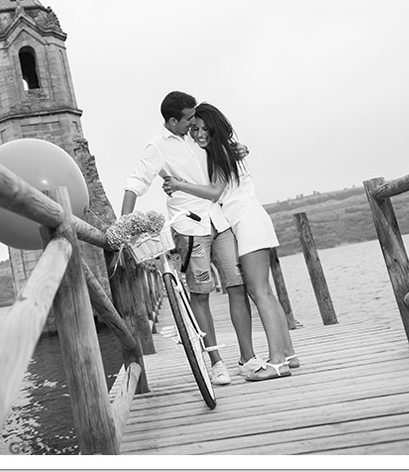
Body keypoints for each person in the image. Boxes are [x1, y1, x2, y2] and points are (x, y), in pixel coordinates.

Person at [120, 91, 263, 386]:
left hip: (220, 221)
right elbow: (135, 183)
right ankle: (216, 363)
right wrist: (124, 223)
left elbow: (226, 149)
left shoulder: (198, 136)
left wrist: (239, 149)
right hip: (189, 229)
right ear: (173, 121)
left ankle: (247, 358)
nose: (193, 122)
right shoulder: (157, 147)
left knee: (237, 286)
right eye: (188, 119)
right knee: (200, 294)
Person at [162, 102, 299, 381]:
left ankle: (277, 362)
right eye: (195, 128)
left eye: (205, 129)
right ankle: (289, 354)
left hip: (247, 223)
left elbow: (214, 192)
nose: (199, 134)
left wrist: (177, 184)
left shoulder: (222, 152)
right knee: (265, 292)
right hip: (249, 222)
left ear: (216, 130)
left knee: (260, 293)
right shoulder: (219, 151)